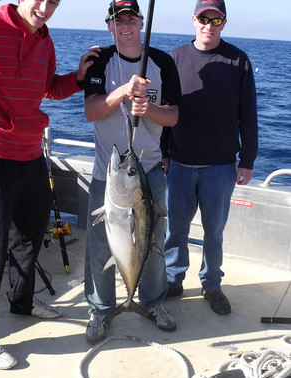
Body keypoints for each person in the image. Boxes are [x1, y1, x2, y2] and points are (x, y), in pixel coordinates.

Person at [0, 0, 96, 369]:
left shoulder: (46, 41)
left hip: (32, 154)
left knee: (30, 236)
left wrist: (79, 78)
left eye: (54, 1)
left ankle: (22, 301)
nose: (45, 7)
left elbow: (51, 87)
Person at [84, 0, 182, 344]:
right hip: (108, 174)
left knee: (153, 240)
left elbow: (172, 117)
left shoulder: (162, 62)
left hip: (150, 171)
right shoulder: (100, 61)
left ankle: (152, 302)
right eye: (117, 20)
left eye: (130, 19)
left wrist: (149, 108)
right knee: (99, 245)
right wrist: (123, 93)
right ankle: (100, 309)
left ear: (141, 22)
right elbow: (92, 111)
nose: (124, 26)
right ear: (110, 26)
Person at [164, 0, 258, 315]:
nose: (209, 25)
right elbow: (165, 110)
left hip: (220, 166)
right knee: (175, 227)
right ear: (193, 20)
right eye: (204, 18)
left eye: (216, 20)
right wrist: (164, 153)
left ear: (224, 24)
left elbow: (249, 115)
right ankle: (172, 279)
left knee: (213, 231)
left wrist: (248, 159)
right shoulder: (174, 58)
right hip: (178, 163)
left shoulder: (238, 60)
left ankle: (212, 285)